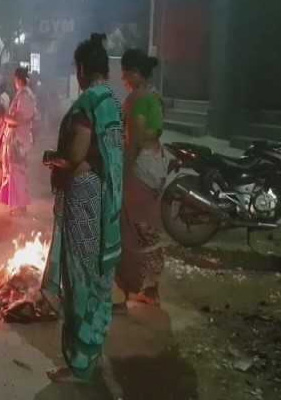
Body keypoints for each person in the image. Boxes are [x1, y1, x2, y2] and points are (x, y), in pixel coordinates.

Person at [41, 33, 124, 383]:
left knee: (79, 279)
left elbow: (76, 156)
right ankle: (93, 350)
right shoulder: (113, 103)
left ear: (82, 69)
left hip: (86, 200)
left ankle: (79, 364)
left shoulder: (87, 104)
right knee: (99, 279)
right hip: (109, 201)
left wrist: (53, 159)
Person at [116, 49, 166, 308]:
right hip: (156, 165)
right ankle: (152, 287)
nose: (123, 77)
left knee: (131, 227)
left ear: (135, 73)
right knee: (149, 227)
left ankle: (129, 288)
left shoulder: (135, 99)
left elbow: (133, 139)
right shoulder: (155, 96)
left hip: (139, 168)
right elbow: (154, 131)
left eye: (125, 72)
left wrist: (122, 171)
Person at [0, 67, 37, 216]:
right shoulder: (23, 94)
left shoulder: (25, 95)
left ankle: (19, 206)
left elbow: (21, 119)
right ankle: (18, 205)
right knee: (16, 172)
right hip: (18, 138)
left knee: (17, 172)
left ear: (18, 79)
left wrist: (6, 118)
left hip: (19, 139)